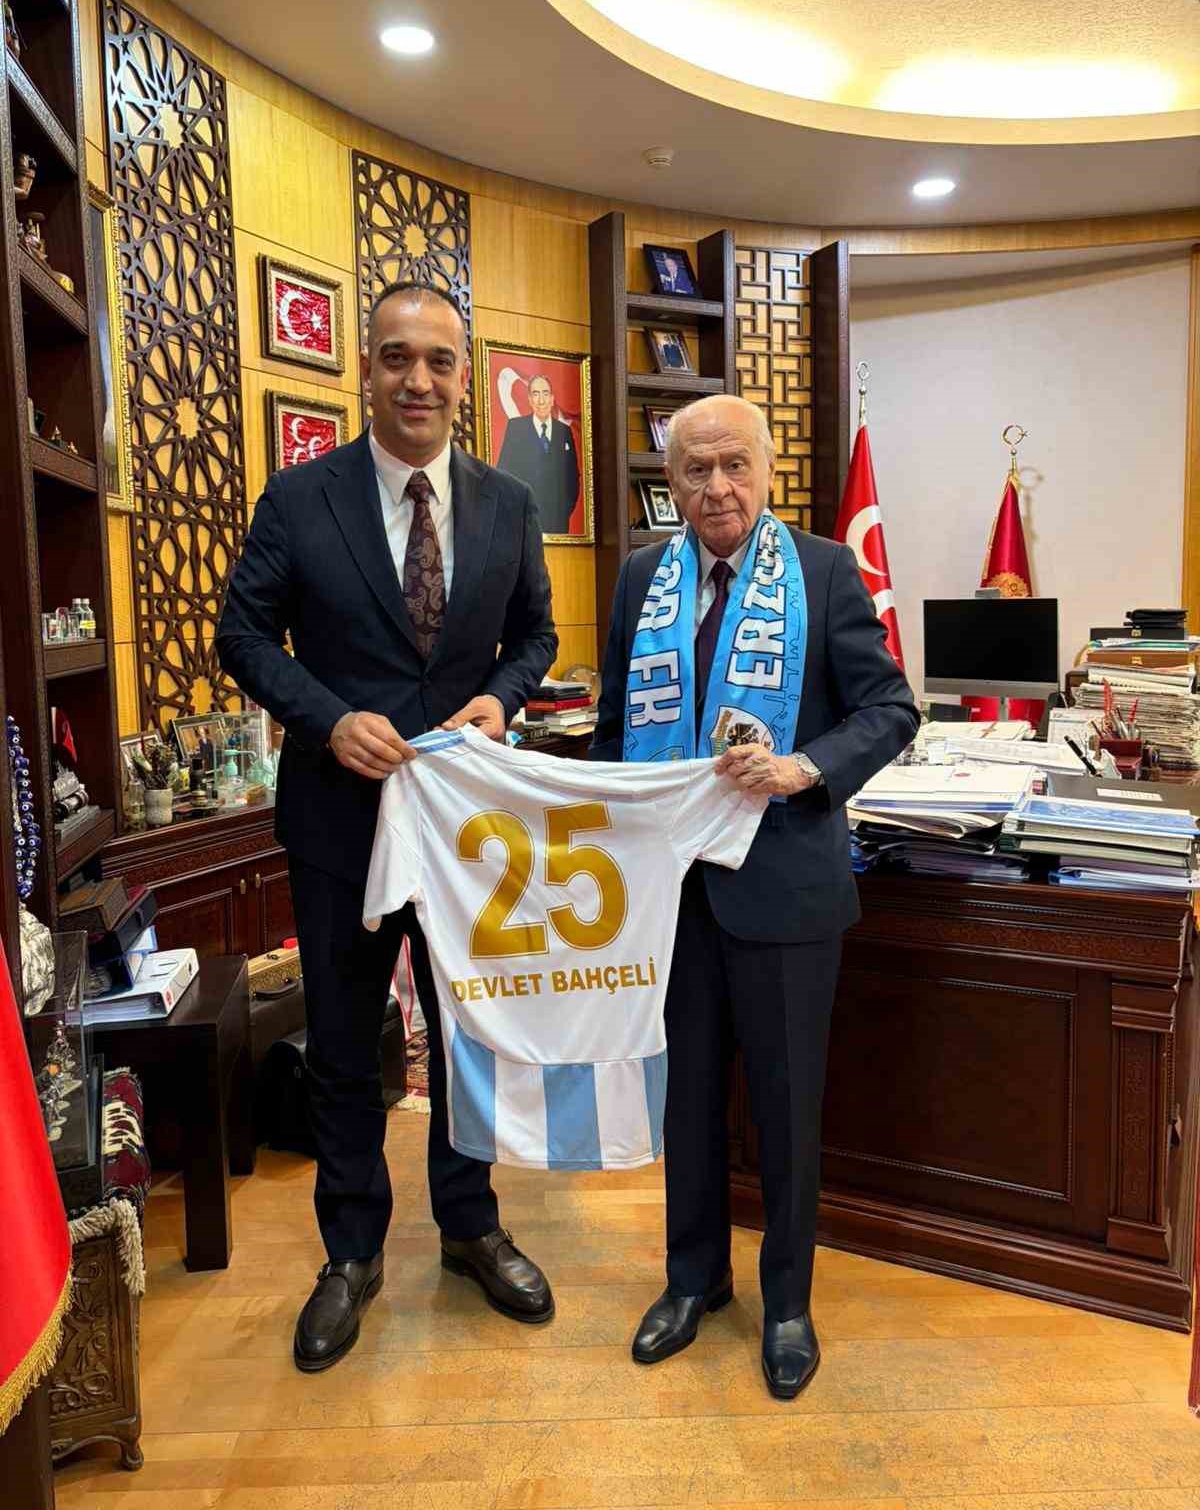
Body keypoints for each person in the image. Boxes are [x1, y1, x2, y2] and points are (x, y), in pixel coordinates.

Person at [217, 281, 559, 1373]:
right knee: (345, 1046)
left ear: (466, 375)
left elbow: (537, 636)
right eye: (397, 357)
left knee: (469, 1038)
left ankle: (470, 1226)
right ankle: (351, 1251)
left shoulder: (509, 503)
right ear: (364, 369)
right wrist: (325, 718)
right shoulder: (298, 498)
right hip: (340, 822)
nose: (419, 380)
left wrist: (501, 697)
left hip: (466, 831)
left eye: (440, 361)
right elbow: (242, 634)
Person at [590, 394, 917, 1400]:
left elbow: (890, 708)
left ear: (767, 470)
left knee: (784, 1107)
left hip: (784, 886)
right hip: (672, 891)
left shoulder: (823, 570)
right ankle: (694, 1280)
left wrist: (803, 768)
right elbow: (614, 727)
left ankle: (787, 1304)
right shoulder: (642, 577)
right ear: (671, 483)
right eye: (696, 469)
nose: (718, 487)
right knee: (686, 1102)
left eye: (735, 464)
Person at [496, 374, 580, 534]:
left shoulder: (564, 431)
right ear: (529, 399)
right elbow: (504, 474)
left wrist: (563, 512)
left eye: (545, 393)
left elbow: (573, 478)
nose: (541, 400)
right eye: (535, 394)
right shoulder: (516, 428)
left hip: (557, 524)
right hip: (523, 522)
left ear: (552, 399)